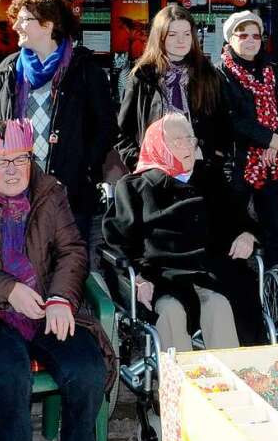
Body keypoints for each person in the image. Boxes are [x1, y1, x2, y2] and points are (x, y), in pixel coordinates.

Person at [0, 120, 113, 441]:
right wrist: (7, 290)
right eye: (1, 161)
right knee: (10, 369)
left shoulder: (52, 195)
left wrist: (62, 298)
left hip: (47, 307)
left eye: (20, 159)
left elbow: (72, 251)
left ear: (33, 160)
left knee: (86, 365)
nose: (12, 169)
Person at [103, 115, 265, 352]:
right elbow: (117, 241)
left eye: (191, 139)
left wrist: (247, 235)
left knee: (219, 306)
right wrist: (137, 280)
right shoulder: (134, 187)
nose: (188, 146)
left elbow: (241, 219)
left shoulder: (211, 176)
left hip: (214, 272)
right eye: (178, 141)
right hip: (162, 277)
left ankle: (228, 382)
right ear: (159, 146)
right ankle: (180, 385)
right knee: (172, 312)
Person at [0, 0, 115, 239]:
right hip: (16, 191)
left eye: (24, 20)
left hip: (69, 192)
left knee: (67, 266)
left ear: (48, 25)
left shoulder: (84, 70)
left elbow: (105, 126)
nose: (15, 26)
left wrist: (85, 167)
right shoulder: (9, 69)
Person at [218, 10, 278, 268]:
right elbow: (228, 119)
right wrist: (268, 139)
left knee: (275, 234)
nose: (251, 40)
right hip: (238, 169)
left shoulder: (273, 71)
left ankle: (277, 291)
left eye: (256, 35)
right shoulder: (220, 74)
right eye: (243, 35)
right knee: (233, 234)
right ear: (230, 39)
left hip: (274, 167)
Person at [116, 4, 229, 176]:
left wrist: (213, 156)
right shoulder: (143, 76)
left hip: (200, 169)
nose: (181, 41)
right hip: (156, 171)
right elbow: (122, 131)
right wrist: (139, 161)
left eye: (186, 34)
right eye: (172, 35)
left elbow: (222, 123)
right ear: (160, 37)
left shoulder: (207, 73)